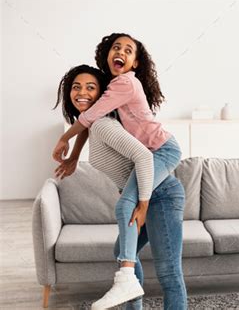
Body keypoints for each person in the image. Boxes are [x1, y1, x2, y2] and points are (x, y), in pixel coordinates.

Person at [51, 33, 183, 307]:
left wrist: (65, 139)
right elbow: (91, 123)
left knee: (168, 270)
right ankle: (128, 286)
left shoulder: (124, 84)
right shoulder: (109, 108)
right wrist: (74, 155)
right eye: (115, 47)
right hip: (154, 178)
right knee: (123, 251)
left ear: (135, 63)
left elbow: (92, 121)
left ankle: (124, 281)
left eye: (127, 49)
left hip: (162, 175)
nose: (83, 93)